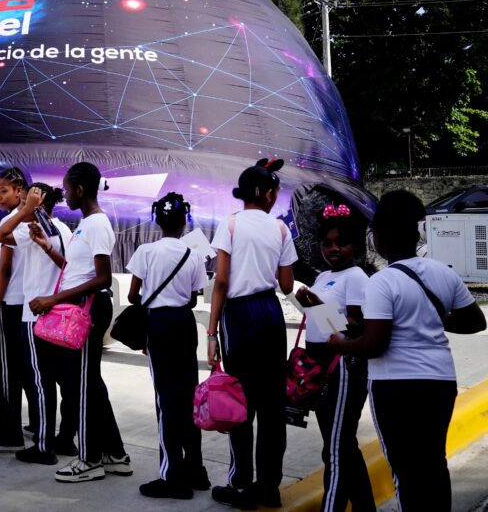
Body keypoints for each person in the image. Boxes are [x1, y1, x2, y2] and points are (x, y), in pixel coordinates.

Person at [329, 190, 486, 511]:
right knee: (433, 465)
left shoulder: (382, 282)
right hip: (440, 383)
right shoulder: (444, 272)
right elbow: (475, 321)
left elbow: (374, 344)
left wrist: (341, 342)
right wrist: (433, 317)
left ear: (381, 237)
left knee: (406, 471)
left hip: (396, 388)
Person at [30, 162, 131, 483]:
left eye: (68, 188)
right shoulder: (86, 225)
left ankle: (89, 459)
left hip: (87, 310)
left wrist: (52, 300)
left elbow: (102, 278)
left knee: (82, 385)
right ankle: (115, 454)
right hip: (78, 307)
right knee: (90, 385)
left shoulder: (98, 224)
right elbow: (76, 269)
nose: (65, 194)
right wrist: (48, 249)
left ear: (81, 189)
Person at [207, 158, 297, 509]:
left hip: (239, 316)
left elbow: (222, 280)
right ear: (269, 194)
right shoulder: (280, 229)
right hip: (270, 314)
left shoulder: (229, 224)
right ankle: (269, 487)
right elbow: (286, 284)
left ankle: (241, 485)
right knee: (272, 406)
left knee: (239, 402)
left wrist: (212, 332)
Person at [293, 203, 376, 512]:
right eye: (327, 243)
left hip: (342, 367)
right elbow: (324, 323)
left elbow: (355, 329)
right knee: (341, 446)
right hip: (321, 366)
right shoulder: (324, 275)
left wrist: (317, 306)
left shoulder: (356, 277)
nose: (333, 249)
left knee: (337, 450)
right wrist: (312, 304)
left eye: (341, 242)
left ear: (355, 245)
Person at [127, 192, 210, 500]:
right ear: (184, 220)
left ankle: (172, 476)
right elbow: (192, 298)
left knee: (165, 400)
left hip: (158, 325)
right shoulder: (194, 253)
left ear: (157, 220)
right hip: (184, 325)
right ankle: (196, 470)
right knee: (189, 396)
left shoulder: (145, 251)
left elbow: (134, 296)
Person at [0, 182, 71, 466]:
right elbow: (66, 265)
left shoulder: (32, 229)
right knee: (58, 381)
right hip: (57, 313)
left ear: (38, 205)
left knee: (40, 381)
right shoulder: (62, 228)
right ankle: (62, 438)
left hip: (35, 315)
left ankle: (43, 445)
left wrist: (26, 211)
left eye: (26, 201)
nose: (21, 206)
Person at [0, 167, 30, 453]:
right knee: (23, 371)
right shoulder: (34, 223)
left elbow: (3, 270)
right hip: (24, 305)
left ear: (19, 191)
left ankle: (9, 433)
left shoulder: (12, 224)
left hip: (11, 302)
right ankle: (34, 425)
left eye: (4, 191)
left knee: (7, 371)